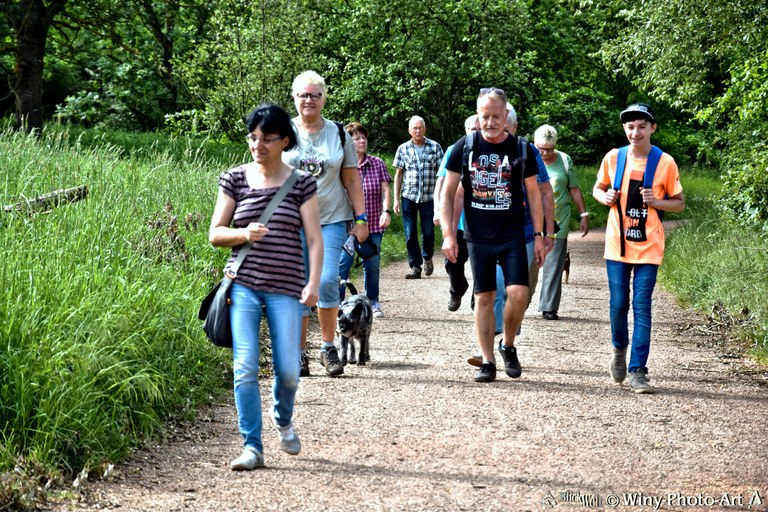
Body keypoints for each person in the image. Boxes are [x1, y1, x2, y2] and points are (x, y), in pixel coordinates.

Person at [208, 103, 322, 470]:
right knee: (244, 366)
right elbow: (215, 234)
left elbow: (314, 239)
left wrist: (313, 283)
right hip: (242, 284)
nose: (258, 145)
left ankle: (282, 416)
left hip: (286, 287)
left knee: (288, 370)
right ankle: (252, 447)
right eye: (253, 137)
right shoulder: (234, 179)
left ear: (285, 140)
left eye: (267, 138)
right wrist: (243, 233)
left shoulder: (301, 183)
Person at [442, 88, 545, 383]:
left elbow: (535, 195)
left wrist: (540, 235)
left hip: (512, 233)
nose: (490, 122)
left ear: (505, 115)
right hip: (478, 236)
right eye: (484, 116)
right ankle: (487, 361)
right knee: (484, 296)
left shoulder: (522, 149)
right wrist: (448, 234)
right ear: (478, 115)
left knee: (519, 293)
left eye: (496, 116)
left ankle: (507, 344)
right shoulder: (464, 147)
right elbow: (448, 193)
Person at [592, 102, 684, 394]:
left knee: (642, 305)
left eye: (642, 126)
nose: (636, 132)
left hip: (649, 245)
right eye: (630, 127)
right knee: (619, 304)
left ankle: (638, 370)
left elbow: (679, 204)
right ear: (624, 128)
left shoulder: (665, 162)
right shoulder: (614, 157)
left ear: (652, 128)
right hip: (617, 244)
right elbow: (597, 189)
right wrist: (605, 198)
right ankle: (619, 349)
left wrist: (656, 201)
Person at [282, 71, 369, 378]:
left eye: (315, 95)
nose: (309, 100)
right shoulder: (282, 131)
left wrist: (361, 219)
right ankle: (298, 353)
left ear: (323, 98)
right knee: (298, 284)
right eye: (303, 95)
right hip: (290, 221)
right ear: (294, 97)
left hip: (331, 218)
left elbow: (351, 179)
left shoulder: (338, 134)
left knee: (326, 279)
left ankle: (328, 347)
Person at [534, 124, 589, 321]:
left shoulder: (564, 160)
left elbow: (573, 188)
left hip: (559, 218)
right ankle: (519, 301)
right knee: (527, 264)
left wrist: (583, 214)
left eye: (549, 149)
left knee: (554, 265)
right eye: (541, 148)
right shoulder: (526, 158)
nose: (545, 153)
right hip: (531, 218)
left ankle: (548, 307)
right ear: (535, 144)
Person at [338, 122, 392, 318]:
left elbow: (386, 190)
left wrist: (386, 211)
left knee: (372, 265)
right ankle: (338, 305)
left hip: (373, 224)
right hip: (346, 225)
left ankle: (372, 303)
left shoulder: (377, 163)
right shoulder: (340, 165)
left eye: (364, 137)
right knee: (342, 264)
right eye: (357, 138)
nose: (362, 141)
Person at [433, 114, 478, 311]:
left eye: (479, 129)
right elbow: (441, 182)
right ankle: (457, 289)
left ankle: (479, 298)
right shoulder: (455, 149)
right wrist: (437, 209)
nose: (476, 133)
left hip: (481, 221)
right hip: (457, 220)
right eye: (472, 129)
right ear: (465, 131)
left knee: (482, 263)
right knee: (452, 262)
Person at [393, 116, 444, 279]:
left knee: (428, 232)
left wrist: (441, 198)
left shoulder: (435, 147)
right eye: (414, 128)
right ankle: (415, 266)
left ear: (425, 129)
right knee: (410, 233)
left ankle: (427, 257)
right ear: (409, 130)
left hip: (429, 197)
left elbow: (442, 174)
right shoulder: (403, 148)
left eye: (420, 127)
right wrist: (395, 199)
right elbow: (398, 174)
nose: (417, 130)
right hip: (408, 196)